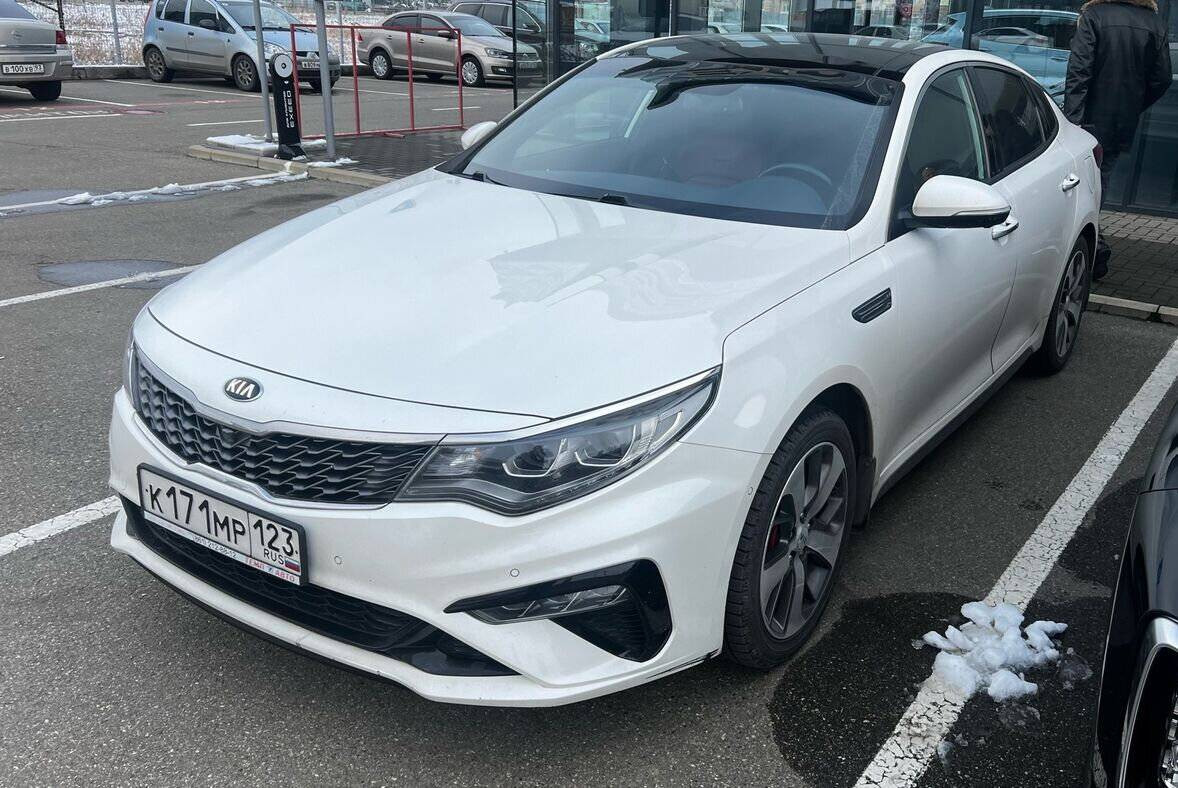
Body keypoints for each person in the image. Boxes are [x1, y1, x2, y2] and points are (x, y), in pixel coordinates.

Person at [1064, 0, 1172, 280]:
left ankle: (1089, 250)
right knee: (1099, 183)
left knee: (1074, 186)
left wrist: (1072, 122)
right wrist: (1133, 104)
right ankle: (1090, 249)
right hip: (1119, 122)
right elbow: (1161, 79)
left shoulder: (1095, 15)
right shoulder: (1154, 23)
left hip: (1085, 120)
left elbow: (1079, 71)